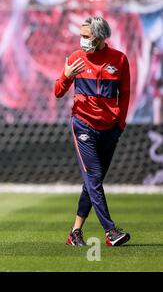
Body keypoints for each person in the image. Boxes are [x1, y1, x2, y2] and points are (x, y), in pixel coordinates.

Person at [54, 16, 131, 247]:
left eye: (86, 36)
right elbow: (57, 92)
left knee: (91, 182)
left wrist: (120, 124)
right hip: (83, 125)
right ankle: (110, 231)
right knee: (95, 178)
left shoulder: (119, 59)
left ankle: (75, 233)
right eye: (81, 35)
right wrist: (67, 76)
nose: (82, 40)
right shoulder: (76, 58)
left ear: (99, 38)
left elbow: (125, 94)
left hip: (110, 129)